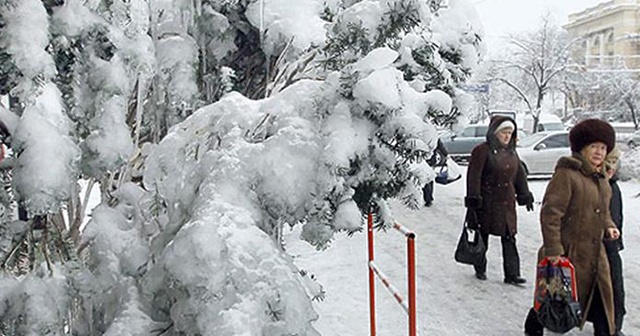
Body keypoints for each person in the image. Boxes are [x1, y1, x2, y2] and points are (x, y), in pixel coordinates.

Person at [524, 118, 620, 336]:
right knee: (554, 299)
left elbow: (603, 212)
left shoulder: (601, 178)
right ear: (582, 148)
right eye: (594, 146)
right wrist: (554, 251)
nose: (599, 152)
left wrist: (609, 226)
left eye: (603, 147)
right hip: (568, 253)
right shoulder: (567, 174)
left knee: (603, 300)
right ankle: (534, 325)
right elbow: (550, 215)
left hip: (596, 255)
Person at [464, 116, 534, 284]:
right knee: (483, 236)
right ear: (495, 133)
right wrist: (474, 200)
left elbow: (519, 176)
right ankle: (480, 267)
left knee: (509, 238)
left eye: (510, 132)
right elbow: (474, 176)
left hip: (506, 203)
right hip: (487, 202)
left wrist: (525, 196)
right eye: (504, 132)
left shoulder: (512, 152)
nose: (507, 136)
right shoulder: (482, 150)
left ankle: (512, 274)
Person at [604, 146, 626, 336]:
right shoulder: (589, 183)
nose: (611, 167)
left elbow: (617, 216)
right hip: (585, 246)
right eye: (607, 163)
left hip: (610, 246)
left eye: (614, 163)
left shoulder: (614, 187)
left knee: (616, 289)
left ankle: (614, 326)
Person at [423, 138, 448, 207]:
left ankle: (427, 198)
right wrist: (445, 154)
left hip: (423, 159)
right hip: (431, 160)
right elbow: (440, 146)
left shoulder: (419, 132)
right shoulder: (432, 134)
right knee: (429, 179)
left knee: (425, 179)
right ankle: (429, 198)